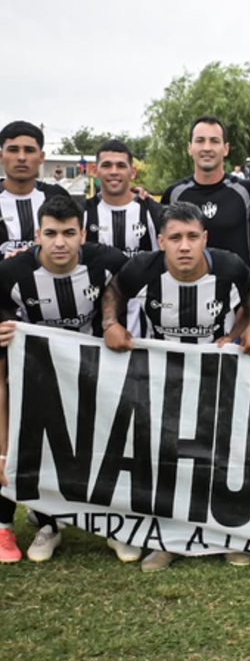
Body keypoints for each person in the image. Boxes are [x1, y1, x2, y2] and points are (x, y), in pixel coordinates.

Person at [101, 201, 250, 572]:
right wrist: (111, 323)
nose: (185, 246)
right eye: (175, 238)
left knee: (224, 453)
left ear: (205, 238)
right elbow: (113, 291)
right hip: (164, 376)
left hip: (217, 376)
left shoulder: (228, 265)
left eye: (193, 236)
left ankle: (229, 536)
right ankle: (170, 540)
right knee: (168, 456)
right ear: (161, 241)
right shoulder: (142, 268)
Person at [0, 195, 127, 563]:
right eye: (51, 233)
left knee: (101, 445)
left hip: (88, 374)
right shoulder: (11, 273)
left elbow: (137, 280)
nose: (60, 242)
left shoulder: (106, 262)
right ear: (36, 234)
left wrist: (111, 321)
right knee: (24, 446)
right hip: (32, 376)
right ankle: (26, 526)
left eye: (69, 233)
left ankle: (111, 525)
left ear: (82, 234)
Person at [85, 139, 162, 342]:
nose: (114, 171)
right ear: (95, 170)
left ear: (132, 172)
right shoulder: (82, 214)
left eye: (121, 165)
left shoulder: (153, 213)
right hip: (93, 326)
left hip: (146, 324)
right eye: (107, 165)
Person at [161, 115, 250, 266]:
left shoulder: (246, 191)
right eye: (200, 141)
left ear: (225, 149)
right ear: (190, 148)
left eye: (214, 141)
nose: (207, 148)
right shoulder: (174, 194)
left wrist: (236, 265)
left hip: (236, 287)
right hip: (190, 286)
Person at [0, 121, 70, 256]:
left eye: (29, 150)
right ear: (1, 156)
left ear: (41, 157)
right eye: (13, 150)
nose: (21, 157)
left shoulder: (56, 196)